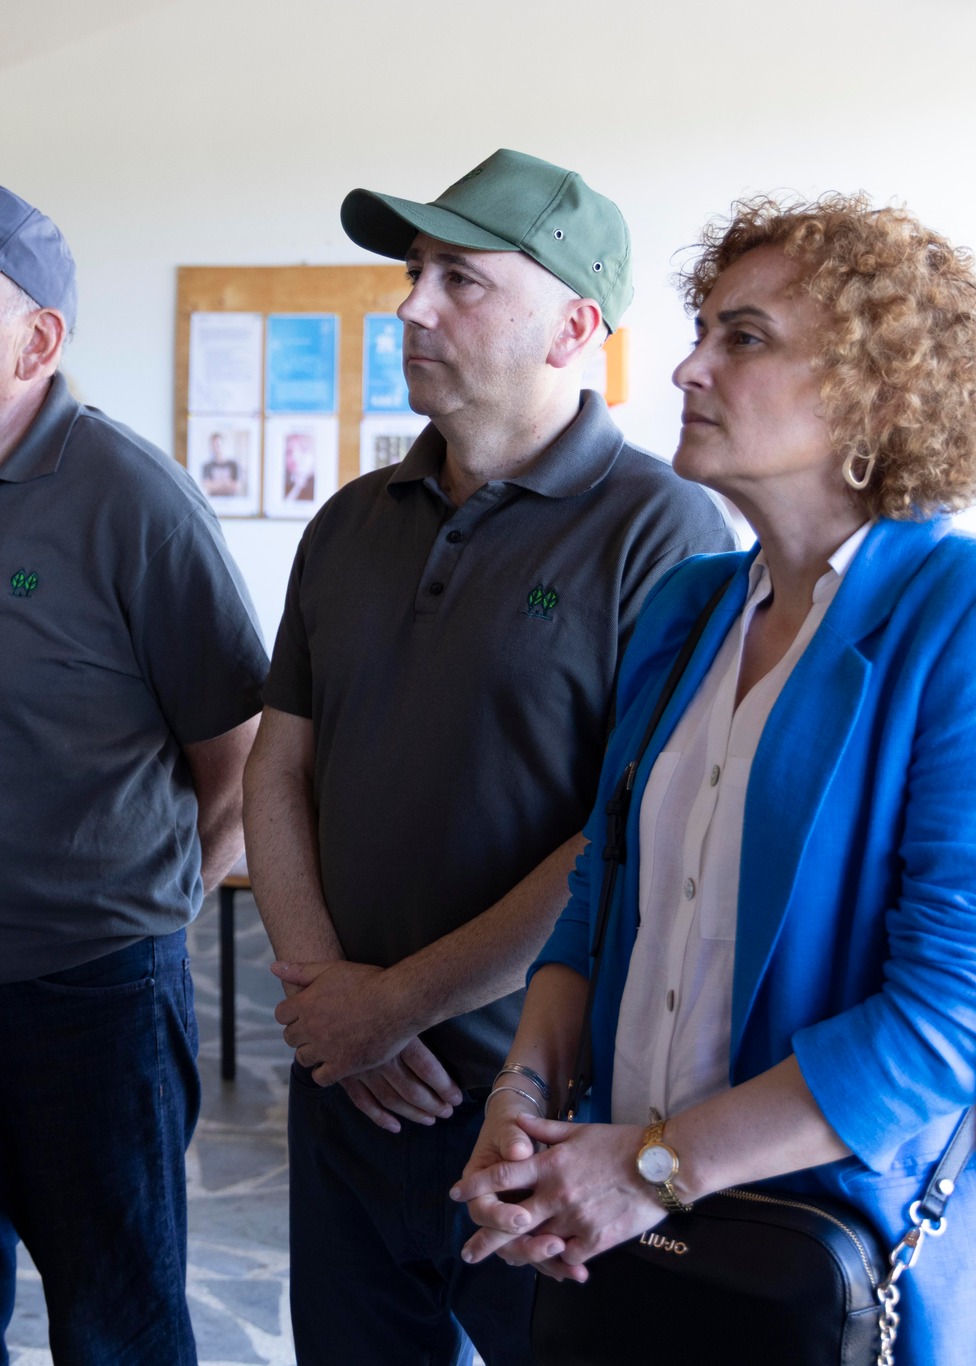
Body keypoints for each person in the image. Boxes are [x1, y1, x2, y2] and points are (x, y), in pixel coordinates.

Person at [454, 195, 976, 1365]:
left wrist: (653, 1167)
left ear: (875, 391)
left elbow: (948, 1020)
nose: (685, 369)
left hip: (813, 1258)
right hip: (620, 1236)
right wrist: (521, 1098)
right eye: (701, 330)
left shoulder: (952, 618)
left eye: (742, 338)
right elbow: (598, 902)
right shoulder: (686, 607)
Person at [242, 148, 734, 1366]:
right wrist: (328, 1002)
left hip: (532, 1107)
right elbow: (276, 767)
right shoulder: (348, 520)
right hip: (346, 1083)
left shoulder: (662, 527)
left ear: (572, 327)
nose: (409, 306)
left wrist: (394, 1006)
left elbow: (626, 827)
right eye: (413, 272)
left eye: (459, 279)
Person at [0, 178, 267, 1365]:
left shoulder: (132, 501)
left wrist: (144, 924)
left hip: (83, 1009)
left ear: (36, 342)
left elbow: (240, 757)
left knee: (116, 1329)